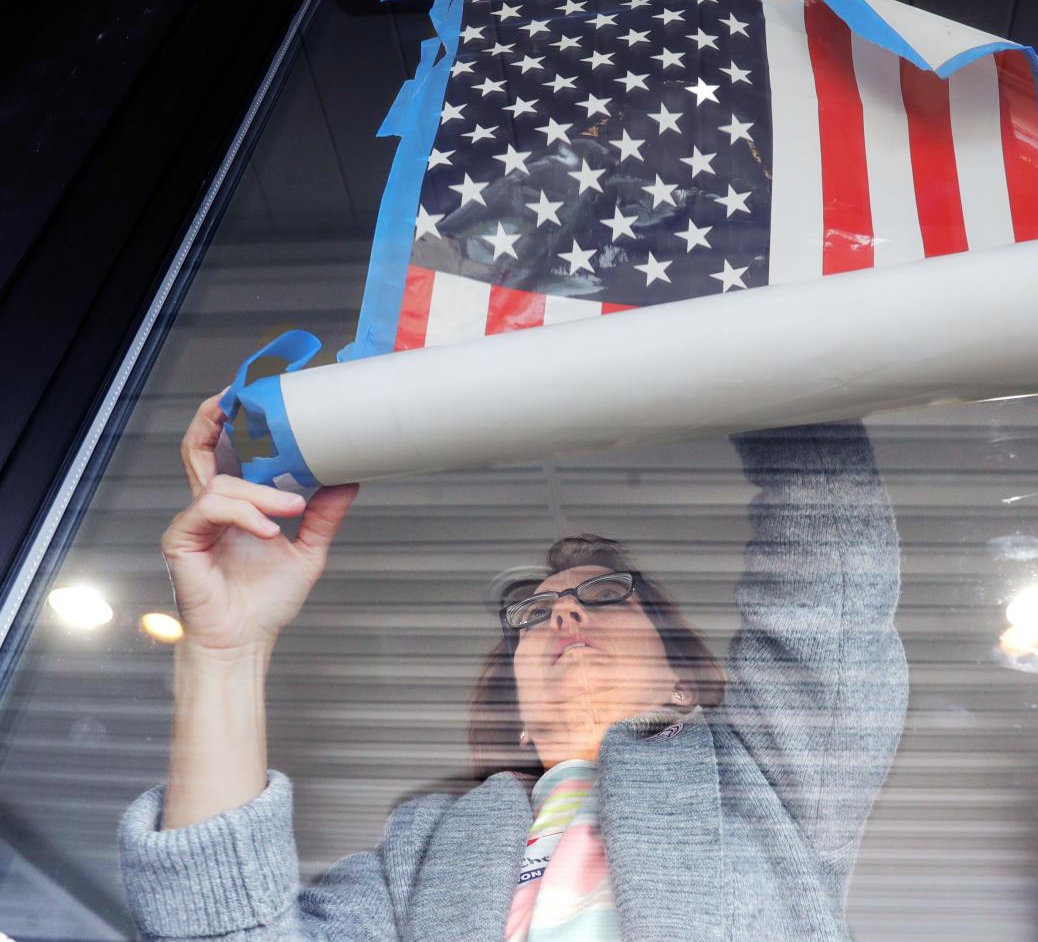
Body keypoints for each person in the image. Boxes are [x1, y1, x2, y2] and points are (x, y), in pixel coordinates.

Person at [118, 392, 909, 942]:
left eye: (605, 596)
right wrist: (227, 647)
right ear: (522, 714)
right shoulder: (427, 849)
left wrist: (764, 336)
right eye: (534, 614)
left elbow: (831, 580)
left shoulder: (767, 777)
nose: (563, 614)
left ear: (684, 683)